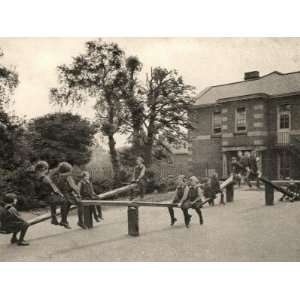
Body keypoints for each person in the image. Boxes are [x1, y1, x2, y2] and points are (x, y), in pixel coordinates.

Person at [34, 161, 66, 226]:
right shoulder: (45, 177)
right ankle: (63, 220)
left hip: (41, 195)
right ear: (43, 169)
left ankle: (54, 219)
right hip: (46, 196)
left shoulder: (37, 176)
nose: (47, 170)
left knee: (54, 199)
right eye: (47, 168)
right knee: (64, 201)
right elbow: (53, 187)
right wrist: (60, 194)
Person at [56, 162, 86, 229]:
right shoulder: (68, 176)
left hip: (62, 195)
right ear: (68, 170)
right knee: (80, 203)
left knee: (66, 204)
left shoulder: (59, 176)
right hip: (67, 194)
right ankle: (80, 222)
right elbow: (74, 187)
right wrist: (78, 193)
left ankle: (64, 221)